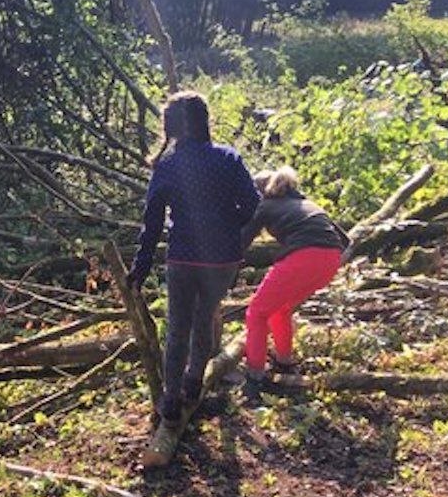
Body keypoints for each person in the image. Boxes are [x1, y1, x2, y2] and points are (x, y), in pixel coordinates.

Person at [127, 90, 261, 424]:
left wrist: (140, 267)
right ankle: (193, 381)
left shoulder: (168, 165)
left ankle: (171, 400)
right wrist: (227, 226)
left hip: (183, 258)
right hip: (222, 259)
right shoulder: (228, 158)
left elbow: (152, 222)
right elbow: (252, 207)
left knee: (178, 328)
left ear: (172, 127)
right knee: (204, 320)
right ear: (204, 121)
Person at [239, 167, 348, 401]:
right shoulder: (306, 203)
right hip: (331, 259)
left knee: (256, 312)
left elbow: (242, 241)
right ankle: (284, 362)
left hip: (303, 257)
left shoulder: (265, 205)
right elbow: (345, 240)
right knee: (280, 310)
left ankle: (254, 377)